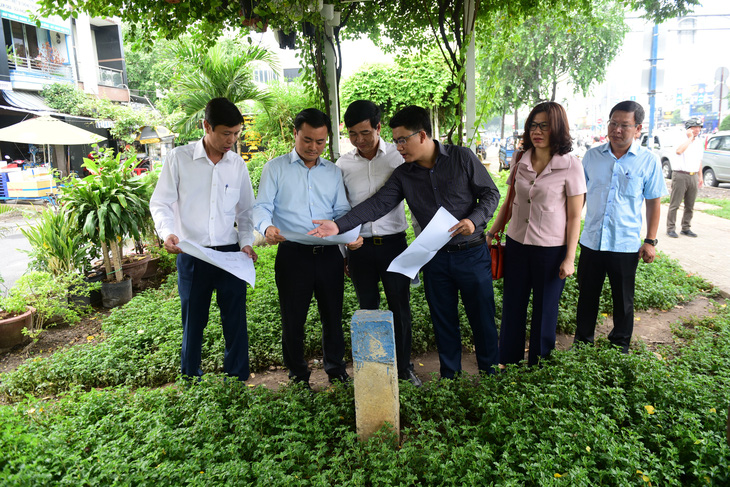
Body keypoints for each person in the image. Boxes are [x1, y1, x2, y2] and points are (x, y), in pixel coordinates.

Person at [310, 105, 501, 379]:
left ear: (421, 135)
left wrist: (474, 220)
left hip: (471, 253)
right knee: (443, 321)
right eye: (396, 140)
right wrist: (338, 225)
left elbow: (490, 193)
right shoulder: (404, 174)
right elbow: (377, 205)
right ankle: (450, 379)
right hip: (434, 257)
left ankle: (491, 376)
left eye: (402, 140)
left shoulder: (461, 158)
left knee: (482, 318)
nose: (398, 147)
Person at [150, 97, 258, 382]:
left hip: (230, 254)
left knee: (235, 319)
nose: (232, 141)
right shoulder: (179, 159)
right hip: (192, 253)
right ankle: (190, 379)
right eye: (226, 133)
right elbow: (160, 203)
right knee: (193, 321)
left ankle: (236, 378)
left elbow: (246, 210)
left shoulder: (237, 165)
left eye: (236, 134)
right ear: (206, 126)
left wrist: (246, 242)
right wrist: (167, 232)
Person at [252, 108, 351, 387]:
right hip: (293, 255)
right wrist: (267, 227)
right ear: (295, 133)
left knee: (333, 317)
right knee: (293, 320)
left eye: (320, 142)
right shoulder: (276, 168)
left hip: (329, 254)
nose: (313, 147)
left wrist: (346, 232)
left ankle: (336, 371)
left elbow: (342, 209)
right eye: (307, 140)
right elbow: (262, 207)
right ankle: (298, 377)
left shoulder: (332, 172)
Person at [487, 102, 586, 366]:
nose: (537, 131)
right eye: (533, 125)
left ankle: (538, 368)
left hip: (551, 250)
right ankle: (508, 360)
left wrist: (569, 258)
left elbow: (575, 215)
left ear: (558, 128)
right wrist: (494, 231)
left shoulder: (571, 165)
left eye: (544, 125)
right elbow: (509, 202)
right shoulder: (520, 159)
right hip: (517, 244)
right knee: (513, 306)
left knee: (545, 311)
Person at [337, 100, 420, 386]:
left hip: (394, 245)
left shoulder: (397, 157)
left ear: (378, 127)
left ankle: (404, 368)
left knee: (400, 308)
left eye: (365, 133)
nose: (359, 140)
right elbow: (341, 209)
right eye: (352, 134)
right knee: (368, 309)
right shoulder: (343, 164)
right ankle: (373, 369)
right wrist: (345, 249)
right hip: (359, 249)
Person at [573, 101, 667, 353]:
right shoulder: (592, 156)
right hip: (592, 241)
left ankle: (620, 345)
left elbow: (653, 202)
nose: (616, 129)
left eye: (624, 125)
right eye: (613, 123)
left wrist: (650, 240)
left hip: (625, 244)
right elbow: (579, 197)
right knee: (586, 296)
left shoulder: (648, 161)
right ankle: (582, 343)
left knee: (623, 299)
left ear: (637, 129)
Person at [667, 118, 704, 238]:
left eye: (699, 128)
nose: (697, 130)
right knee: (675, 204)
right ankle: (671, 228)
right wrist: (689, 138)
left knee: (690, 204)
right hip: (680, 174)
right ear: (688, 128)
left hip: (693, 175)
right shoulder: (681, 139)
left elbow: (699, 160)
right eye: (694, 127)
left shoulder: (699, 142)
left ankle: (686, 227)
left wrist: (700, 176)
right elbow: (679, 151)